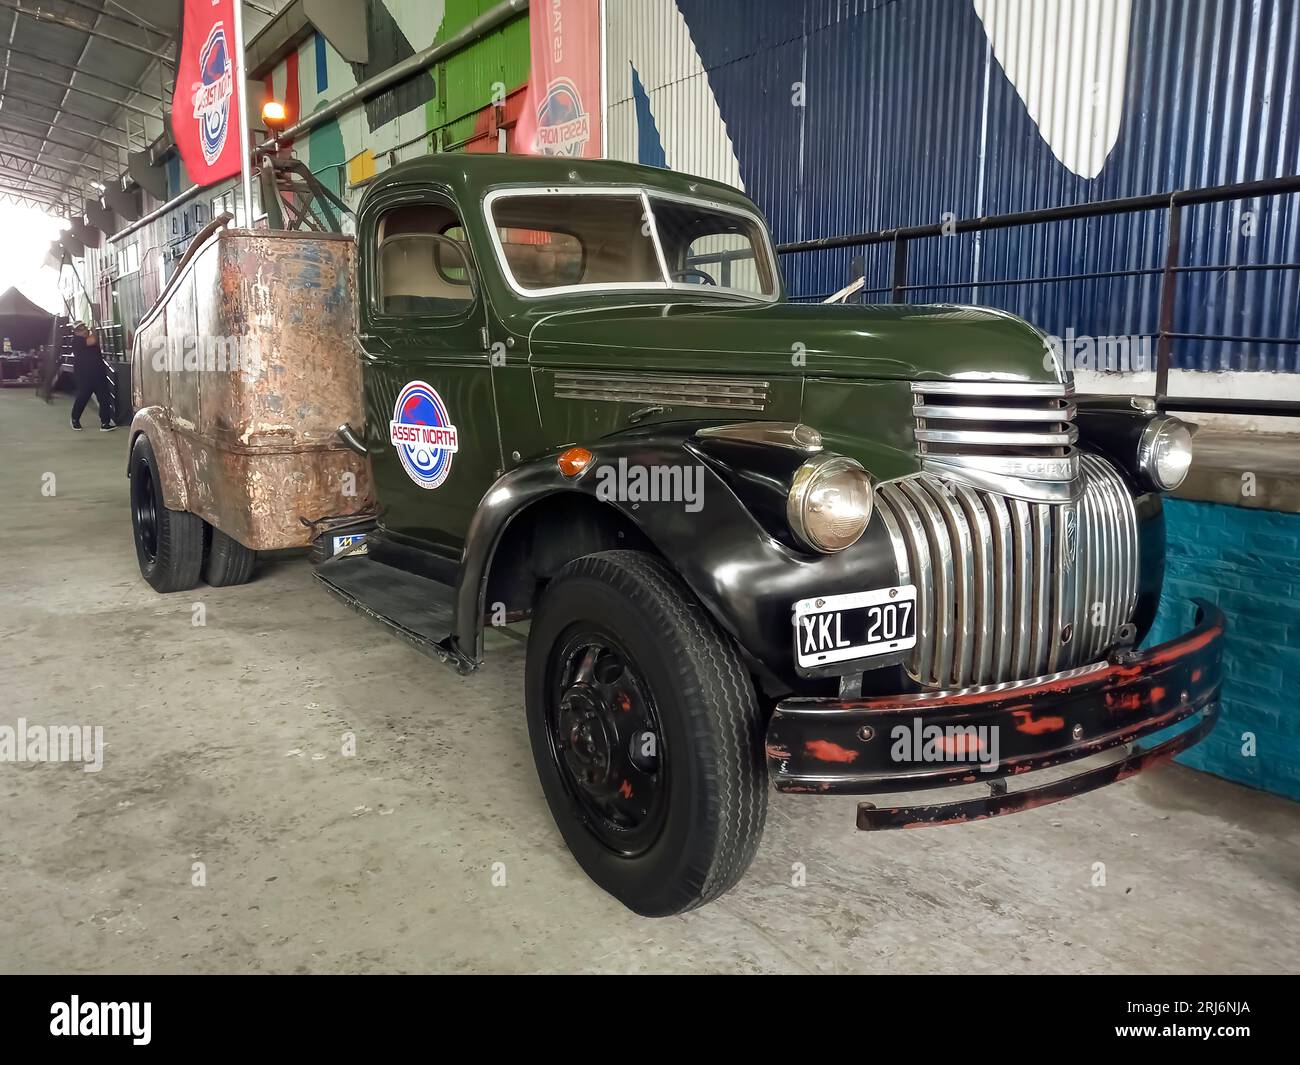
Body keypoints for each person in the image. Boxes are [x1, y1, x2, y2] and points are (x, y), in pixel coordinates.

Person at [69, 323, 115, 432]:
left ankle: (105, 422)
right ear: (76, 332)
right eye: (81, 329)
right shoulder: (76, 341)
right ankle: (75, 419)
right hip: (84, 375)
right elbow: (92, 340)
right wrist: (95, 331)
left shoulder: (89, 339)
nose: (84, 330)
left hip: (98, 374)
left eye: (84, 328)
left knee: (104, 398)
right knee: (82, 398)